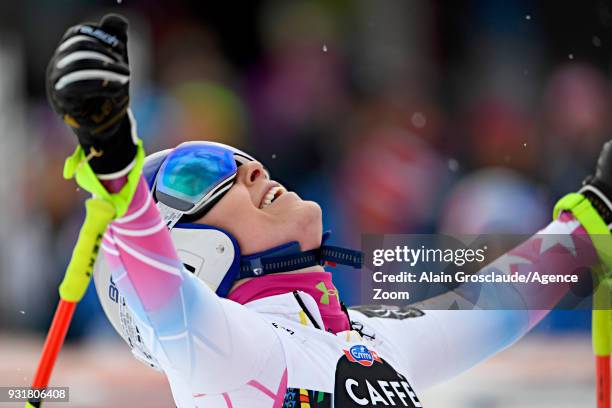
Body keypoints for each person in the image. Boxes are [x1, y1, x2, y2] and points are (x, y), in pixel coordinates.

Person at [46, 15, 612, 408]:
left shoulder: (364, 337)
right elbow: (161, 296)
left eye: (237, 156)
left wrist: (595, 213)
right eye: (200, 174)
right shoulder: (231, 356)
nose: (251, 168)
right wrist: (112, 155)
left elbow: (502, 301)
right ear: (188, 253)